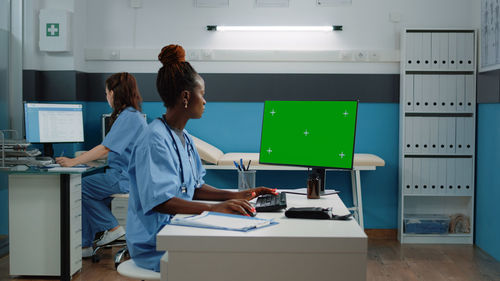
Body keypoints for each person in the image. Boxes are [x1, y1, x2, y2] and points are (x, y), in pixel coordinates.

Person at [126, 44, 277, 272]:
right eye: (202, 95)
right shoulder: (154, 139)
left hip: (180, 227)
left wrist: (237, 195)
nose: (205, 102)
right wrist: (215, 208)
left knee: (244, 245)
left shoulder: (184, 137)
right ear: (186, 96)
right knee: (235, 262)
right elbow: (162, 202)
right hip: (157, 242)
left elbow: (193, 188)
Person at [56, 72, 147, 258]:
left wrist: (73, 162)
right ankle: (85, 246)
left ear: (114, 93)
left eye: (106, 93)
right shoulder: (132, 115)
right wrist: (88, 158)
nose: (106, 97)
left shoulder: (128, 117)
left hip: (123, 177)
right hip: (126, 175)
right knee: (91, 195)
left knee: (79, 188)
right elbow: (115, 150)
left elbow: (105, 148)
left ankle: (112, 228)